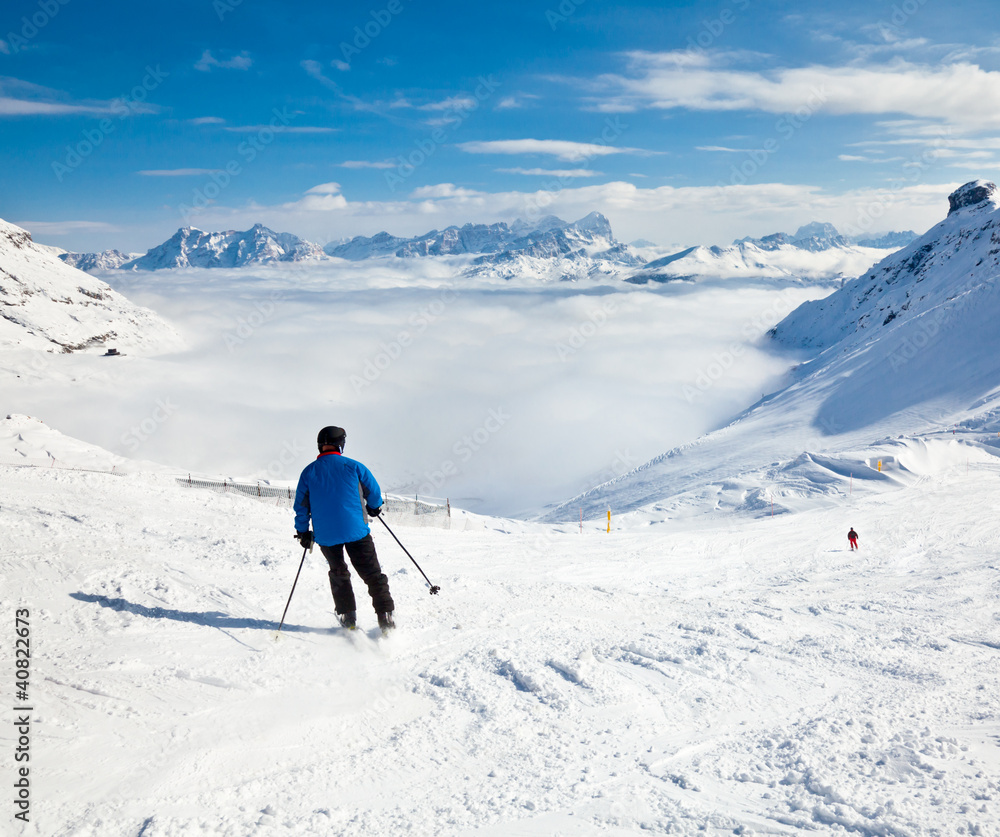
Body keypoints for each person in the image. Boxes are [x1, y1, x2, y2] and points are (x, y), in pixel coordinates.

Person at [293, 425, 395, 633]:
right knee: (372, 574)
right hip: (356, 531)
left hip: (326, 536)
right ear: (341, 444)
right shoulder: (354, 466)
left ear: (320, 446)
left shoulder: (308, 472)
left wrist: (303, 532)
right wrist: (374, 507)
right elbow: (373, 492)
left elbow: (301, 507)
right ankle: (385, 617)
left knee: (338, 572)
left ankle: (348, 617)